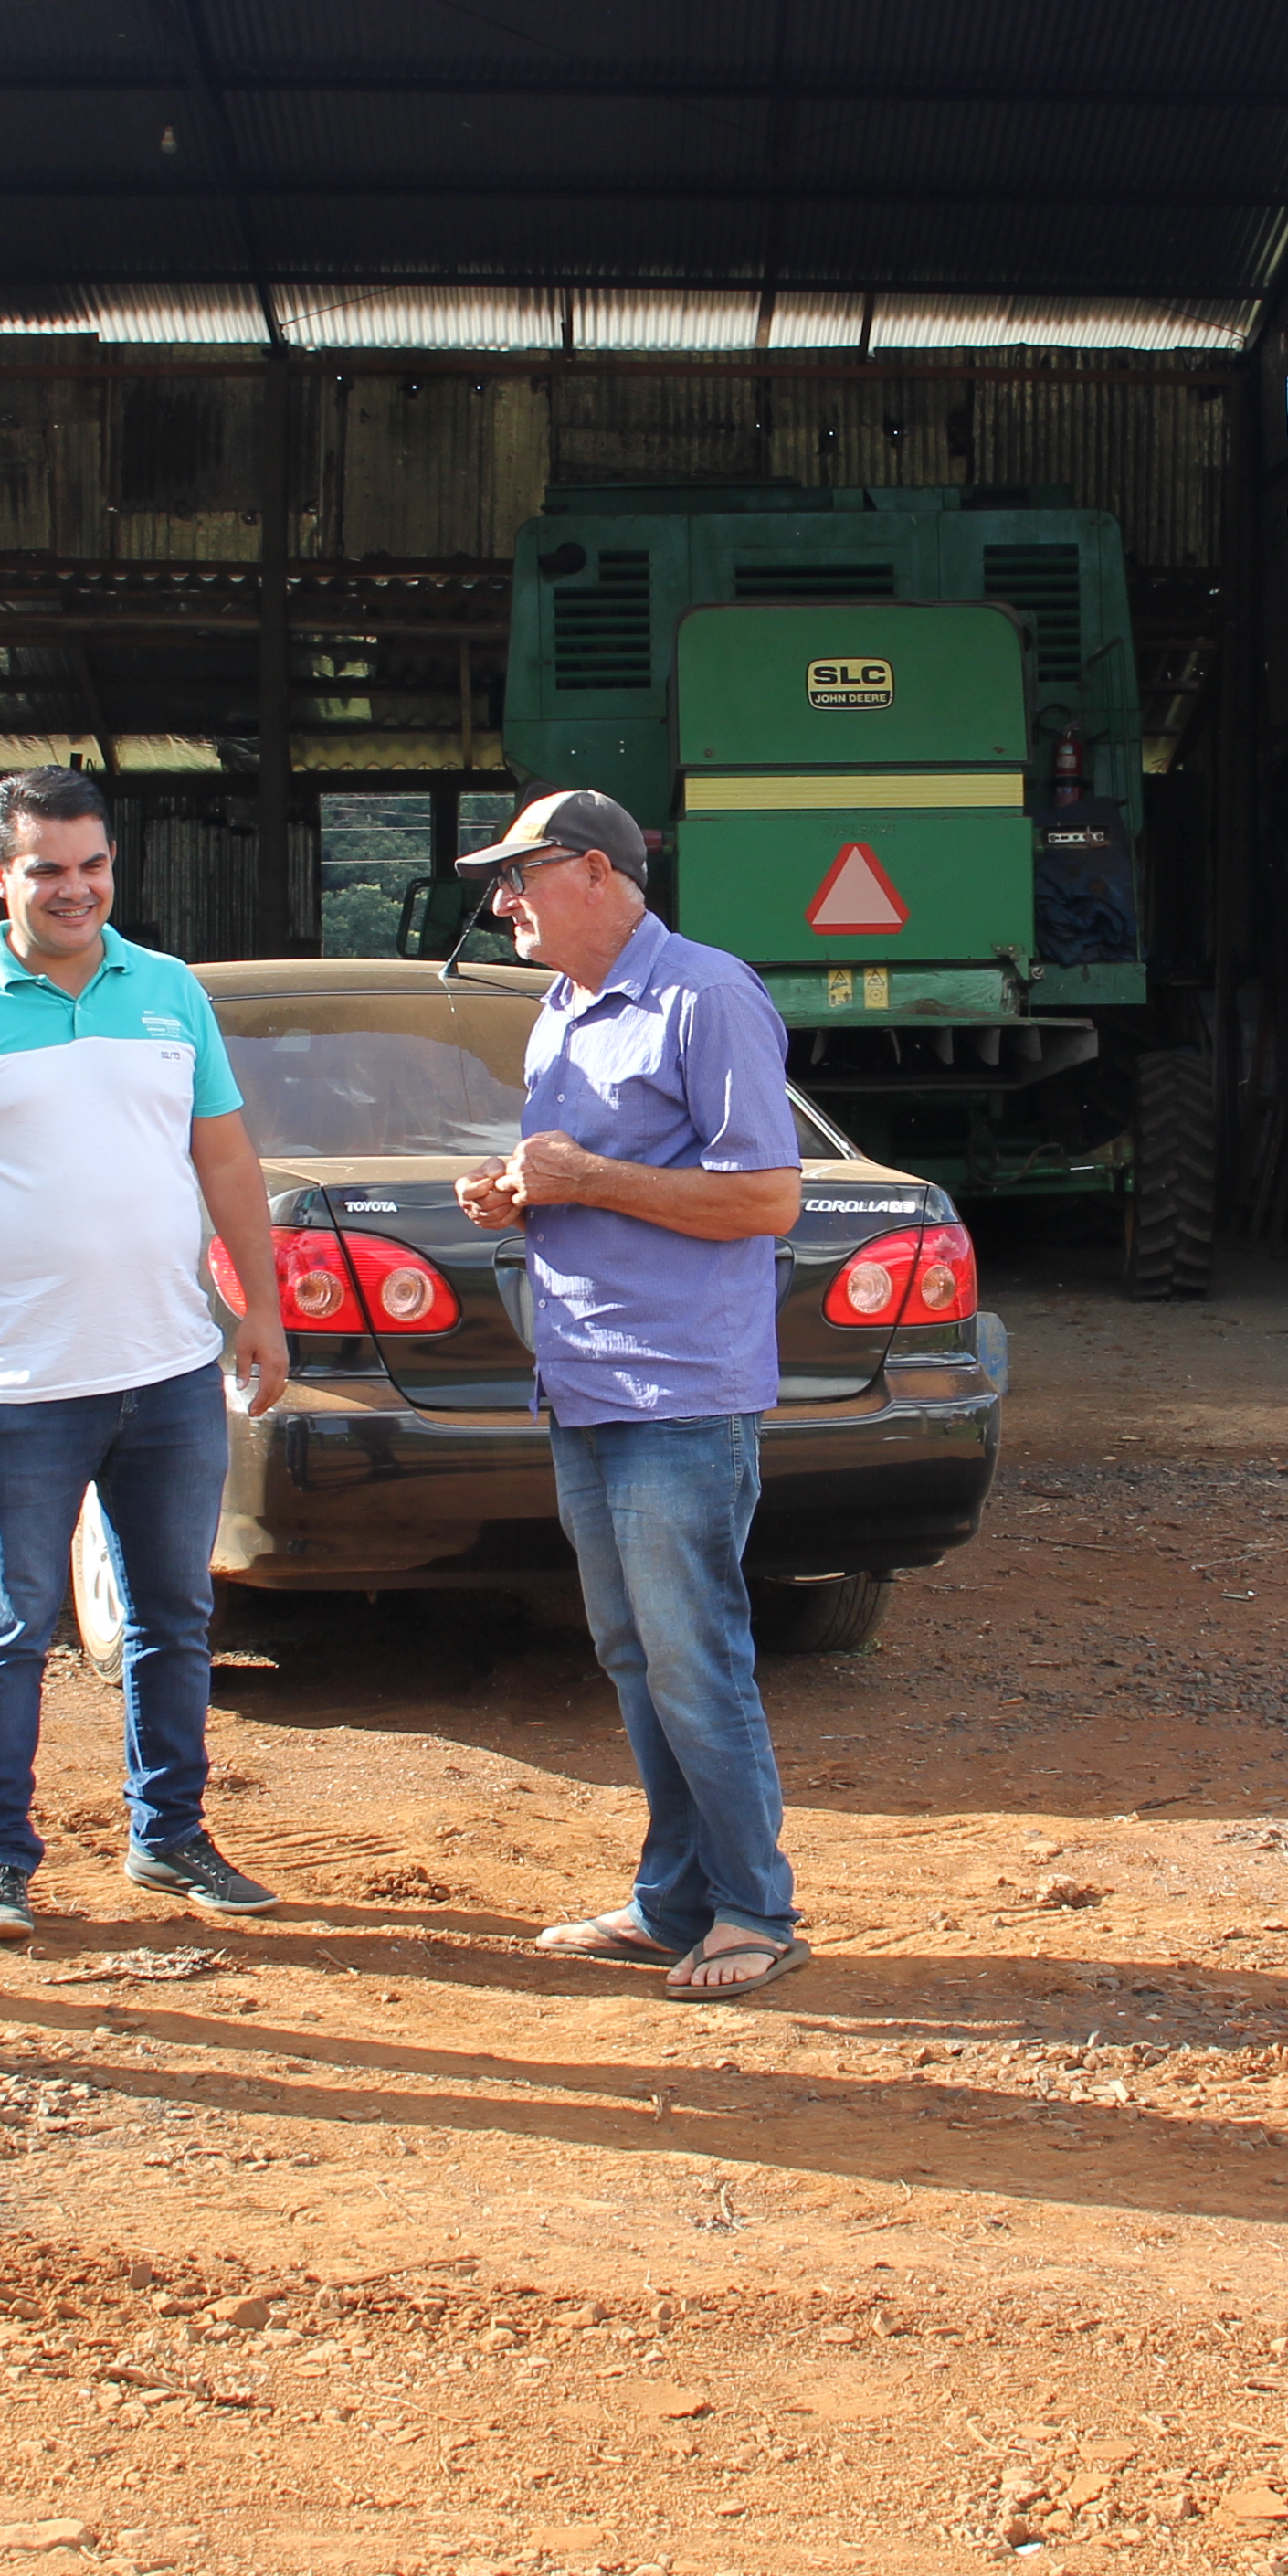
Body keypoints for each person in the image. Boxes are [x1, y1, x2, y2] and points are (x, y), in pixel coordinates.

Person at [0, 765, 292, 1945]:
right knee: (9, 1625)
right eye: (46, 870)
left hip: (171, 1370)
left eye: (92, 866)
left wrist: (259, 1312)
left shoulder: (170, 992)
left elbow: (225, 1163)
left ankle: (168, 1837)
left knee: (175, 1614)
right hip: (19, 1383)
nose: (75, 890)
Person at [449, 788, 815, 2002]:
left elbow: (766, 1200)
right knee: (632, 1651)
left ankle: (757, 1912)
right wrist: (516, 1190)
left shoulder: (706, 995)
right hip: (589, 1377)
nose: (501, 900)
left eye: (522, 875)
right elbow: (582, 1181)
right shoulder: (560, 1010)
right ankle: (674, 1901)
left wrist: (589, 1176)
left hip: (680, 1390)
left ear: (600, 875)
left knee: (693, 1653)